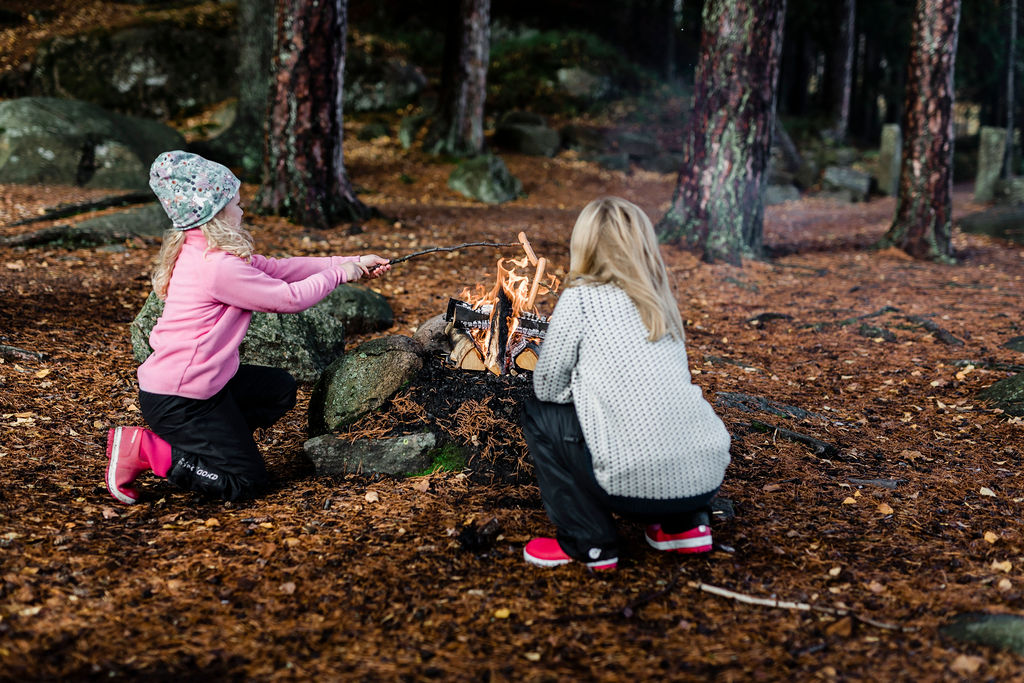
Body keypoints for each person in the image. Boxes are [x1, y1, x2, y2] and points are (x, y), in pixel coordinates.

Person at [105, 150, 390, 504]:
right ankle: (148, 451)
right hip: (182, 400)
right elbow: (288, 298)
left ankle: (214, 447)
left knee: (279, 388)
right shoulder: (216, 267)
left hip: (200, 387)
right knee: (246, 482)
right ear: (215, 214)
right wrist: (338, 275)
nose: (241, 211)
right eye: (235, 205)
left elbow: (279, 268)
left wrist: (349, 262)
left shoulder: (205, 251)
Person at [520, 197, 731, 571]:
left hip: (629, 486)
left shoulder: (581, 298)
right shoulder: (659, 299)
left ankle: (590, 541)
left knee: (539, 412)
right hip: (704, 478)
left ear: (584, 244)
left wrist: (584, 393)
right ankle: (685, 527)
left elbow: (548, 387)